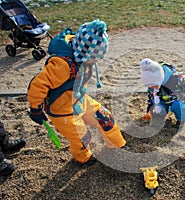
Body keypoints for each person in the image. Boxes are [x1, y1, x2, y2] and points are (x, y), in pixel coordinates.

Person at [27, 19, 127, 166]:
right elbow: (38, 85)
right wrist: (35, 108)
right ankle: (83, 158)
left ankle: (117, 144)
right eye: (94, 59)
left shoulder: (81, 50)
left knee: (106, 118)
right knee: (81, 137)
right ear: (84, 53)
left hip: (80, 100)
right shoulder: (62, 65)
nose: (96, 62)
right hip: (64, 112)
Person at [140, 58, 185, 128]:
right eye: (150, 86)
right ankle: (160, 116)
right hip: (162, 99)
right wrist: (149, 109)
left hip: (176, 98)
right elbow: (150, 98)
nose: (152, 87)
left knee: (179, 106)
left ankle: (181, 120)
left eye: (153, 85)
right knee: (157, 105)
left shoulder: (175, 78)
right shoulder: (152, 87)